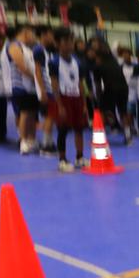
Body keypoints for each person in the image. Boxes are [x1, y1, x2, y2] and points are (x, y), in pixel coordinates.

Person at [47, 28, 89, 173]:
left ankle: (80, 157)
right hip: (63, 98)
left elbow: (80, 84)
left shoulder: (79, 61)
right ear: (57, 44)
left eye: (71, 41)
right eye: (65, 41)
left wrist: (84, 103)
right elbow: (54, 84)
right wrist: (59, 105)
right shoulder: (54, 62)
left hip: (76, 97)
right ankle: (62, 160)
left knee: (79, 128)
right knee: (63, 130)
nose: (69, 44)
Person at [8, 24, 41, 154]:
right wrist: (36, 78)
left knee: (33, 114)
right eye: (32, 34)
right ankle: (23, 141)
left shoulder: (28, 48)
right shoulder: (14, 46)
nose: (34, 38)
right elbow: (21, 66)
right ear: (26, 33)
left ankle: (32, 139)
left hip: (32, 86)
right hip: (21, 86)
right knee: (25, 114)